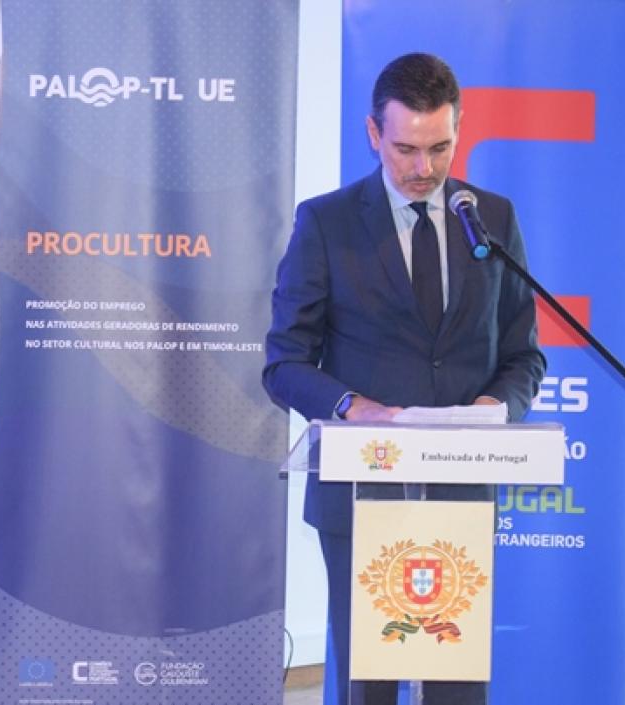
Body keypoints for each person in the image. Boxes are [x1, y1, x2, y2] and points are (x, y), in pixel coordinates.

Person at [262, 53, 545, 705]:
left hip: (461, 489)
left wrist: (494, 406)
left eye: (439, 147)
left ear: (458, 129)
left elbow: (523, 356)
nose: (423, 168)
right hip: (363, 491)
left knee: (457, 681)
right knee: (369, 682)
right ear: (373, 133)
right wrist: (351, 405)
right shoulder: (327, 222)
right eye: (406, 149)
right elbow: (284, 362)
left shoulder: (491, 218)